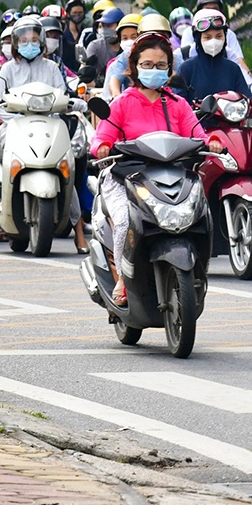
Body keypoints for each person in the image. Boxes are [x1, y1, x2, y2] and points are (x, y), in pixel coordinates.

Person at [91, 30, 200, 308]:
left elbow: (198, 133)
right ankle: (122, 280)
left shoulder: (178, 104)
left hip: (170, 177)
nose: (154, 70)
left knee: (200, 213)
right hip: (125, 176)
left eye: (161, 65)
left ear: (170, 69)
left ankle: (196, 273)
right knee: (126, 222)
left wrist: (212, 143)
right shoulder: (122, 103)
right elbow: (102, 138)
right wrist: (103, 146)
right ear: (135, 67)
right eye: (148, 65)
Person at [176, 8, 252, 102]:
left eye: (219, 36)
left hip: (230, 117)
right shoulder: (186, 69)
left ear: (225, 37)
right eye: (207, 37)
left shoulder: (233, 69)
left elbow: (246, 100)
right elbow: (177, 104)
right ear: (198, 39)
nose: (213, 41)